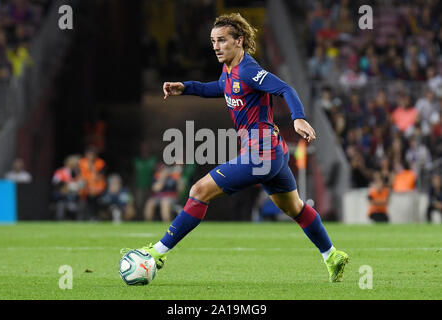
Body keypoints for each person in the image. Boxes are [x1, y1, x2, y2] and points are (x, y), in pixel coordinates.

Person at [121, 13, 349, 283]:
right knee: (295, 208)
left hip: (262, 151)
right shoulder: (229, 70)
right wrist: (186, 87)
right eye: (213, 41)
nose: (216, 46)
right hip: (270, 153)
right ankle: (332, 255)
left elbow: (286, 88)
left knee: (198, 190)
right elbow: (219, 88)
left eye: (222, 41)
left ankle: (156, 253)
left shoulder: (249, 70)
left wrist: (298, 117)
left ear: (239, 41)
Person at [51, 155, 83, 220]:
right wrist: (64, 186)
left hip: (74, 196)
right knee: (61, 208)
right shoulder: (60, 172)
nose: (77, 166)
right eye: (76, 164)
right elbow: (55, 183)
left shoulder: (77, 173)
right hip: (62, 196)